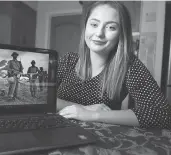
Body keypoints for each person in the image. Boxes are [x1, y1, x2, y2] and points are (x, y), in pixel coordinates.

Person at [57, 1, 171, 129]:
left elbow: (162, 114)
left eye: (111, 27)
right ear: (85, 27)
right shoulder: (68, 60)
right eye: (94, 24)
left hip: (102, 141)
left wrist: (94, 115)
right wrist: (83, 108)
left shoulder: (129, 66)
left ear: (121, 34)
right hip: (57, 131)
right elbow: (37, 98)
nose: (99, 33)